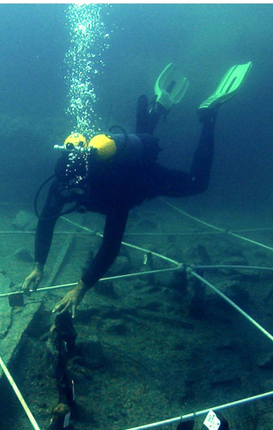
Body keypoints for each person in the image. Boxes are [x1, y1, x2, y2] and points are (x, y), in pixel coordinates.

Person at [23, 62, 252, 317]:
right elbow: (46, 223)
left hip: (142, 180)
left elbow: (111, 246)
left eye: (74, 189)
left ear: (87, 180)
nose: (68, 194)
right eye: (66, 188)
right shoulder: (62, 181)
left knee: (198, 183)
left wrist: (80, 289)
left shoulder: (112, 190)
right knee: (144, 139)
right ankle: (157, 108)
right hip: (127, 166)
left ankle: (209, 116)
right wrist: (38, 266)